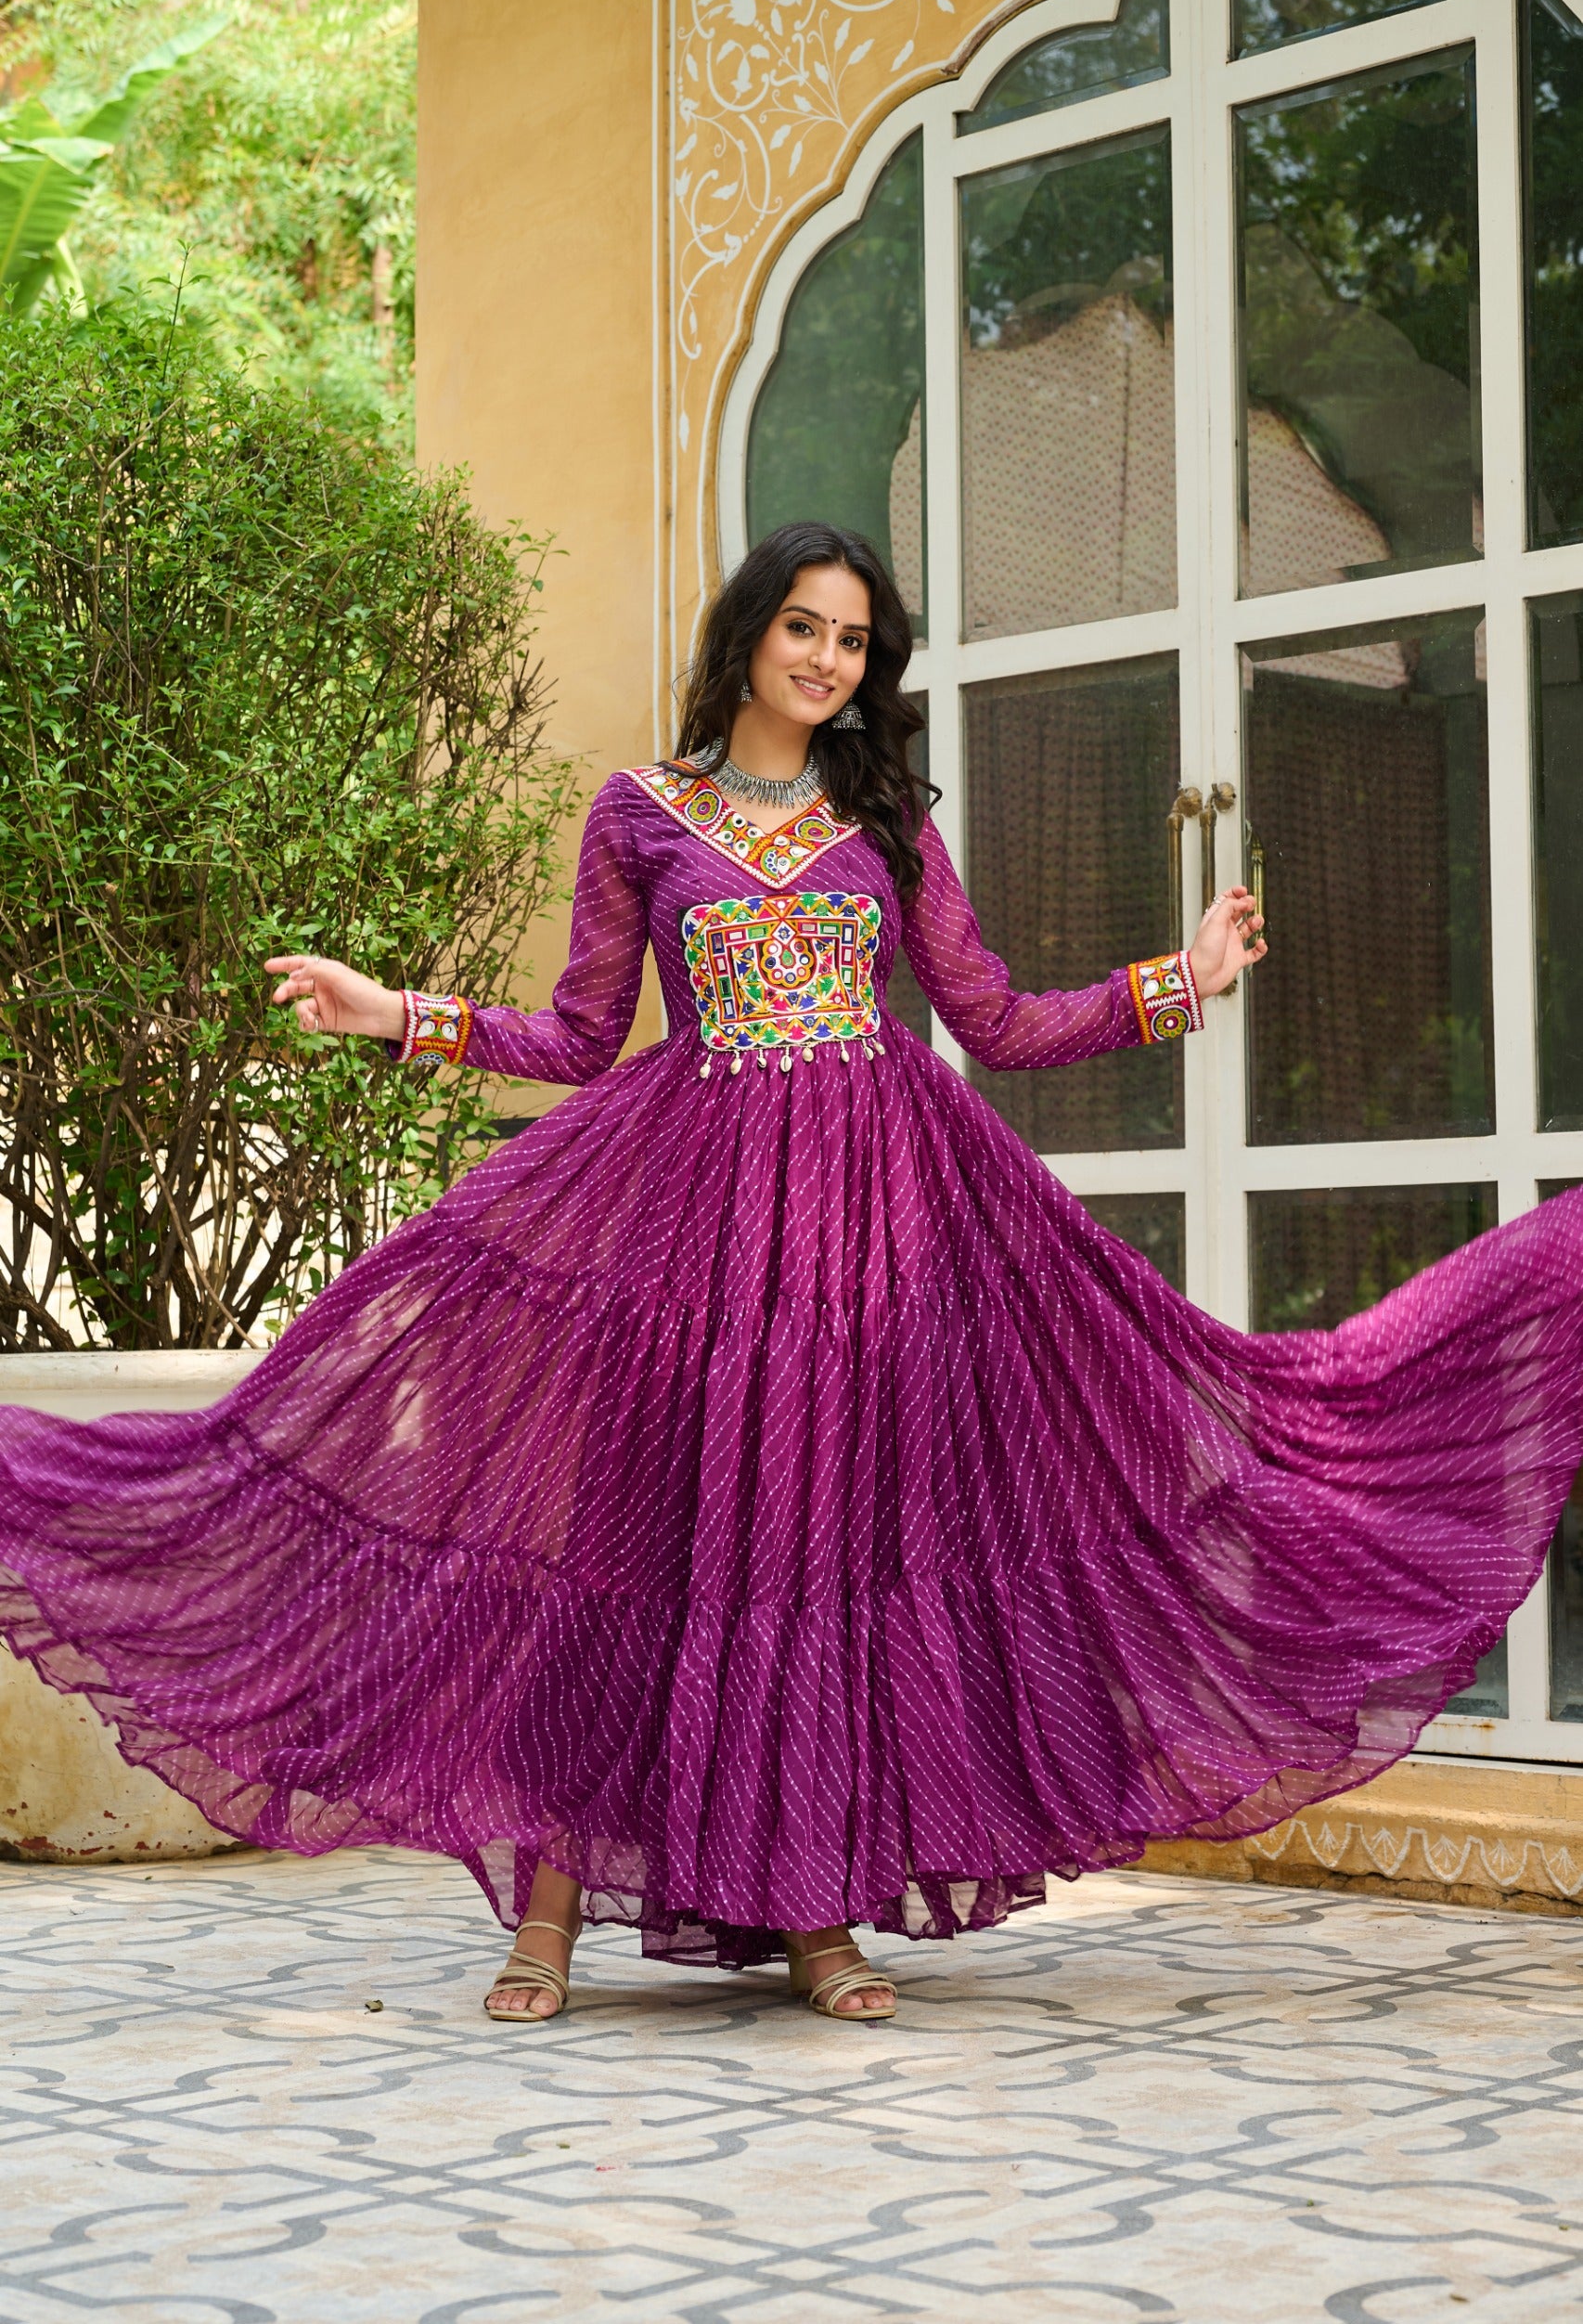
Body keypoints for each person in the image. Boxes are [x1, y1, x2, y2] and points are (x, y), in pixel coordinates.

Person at [2, 523, 1579, 2026]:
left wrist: (1182, 980)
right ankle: (548, 1908)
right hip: (680, 1243)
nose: (828, 657)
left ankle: (819, 1912)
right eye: (803, 627)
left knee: (824, 1561)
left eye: (854, 639)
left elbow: (1002, 1018)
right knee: (627, 1551)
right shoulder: (638, 813)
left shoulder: (884, 825)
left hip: (876, 1251)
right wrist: (385, 1012)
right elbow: (573, 1036)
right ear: (747, 636)